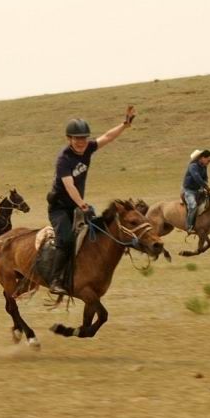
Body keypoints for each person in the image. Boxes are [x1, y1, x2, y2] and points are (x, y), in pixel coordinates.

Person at [46, 106, 137, 294]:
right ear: (69, 139)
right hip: (60, 208)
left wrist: (124, 124)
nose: (81, 142)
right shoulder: (64, 159)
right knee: (66, 239)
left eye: (84, 138)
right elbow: (69, 186)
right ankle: (55, 279)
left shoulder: (88, 149)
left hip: (77, 206)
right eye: (76, 138)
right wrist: (82, 205)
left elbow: (107, 137)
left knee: (95, 233)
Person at [182, 149, 210, 233]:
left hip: (199, 190)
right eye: (208, 160)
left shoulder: (204, 166)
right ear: (202, 158)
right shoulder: (193, 166)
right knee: (193, 206)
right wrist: (205, 186)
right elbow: (197, 177)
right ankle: (189, 227)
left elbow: (205, 177)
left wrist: (205, 185)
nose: (209, 162)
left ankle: (208, 225)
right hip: (189, 191)